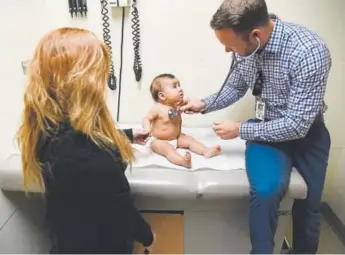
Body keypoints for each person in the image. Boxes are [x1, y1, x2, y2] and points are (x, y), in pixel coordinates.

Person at [180, 0, 332, 254]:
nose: (227, 51)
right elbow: (235, 86)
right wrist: (203, 104)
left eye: (230, 45)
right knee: (265, 192)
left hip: (308, 134)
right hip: (266, 132)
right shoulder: (247, 50)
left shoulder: (309, 51)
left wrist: (240, 130)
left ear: (256, 36)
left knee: (309, 206)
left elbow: (296, 125)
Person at [16, 27, 155, 254]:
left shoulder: (48, 127)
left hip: (66, 240)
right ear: (82, 79)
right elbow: (119, 207)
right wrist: (148, 236)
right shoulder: (87, 151)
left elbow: (83, 141)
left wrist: (128, 135)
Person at [142, 73, 221, 168]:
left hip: (177, 137)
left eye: (179, 85)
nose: (180, 89)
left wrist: (190, 102)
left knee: (190, 140)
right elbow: (146, 118)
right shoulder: (157, 108)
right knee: (168, 149)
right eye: (174, 86)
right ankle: (182, 161)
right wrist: (146, 129)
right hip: (159, 140)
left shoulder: (177, 105)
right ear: (162, 96)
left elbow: (191, 103)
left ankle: (205, 150)